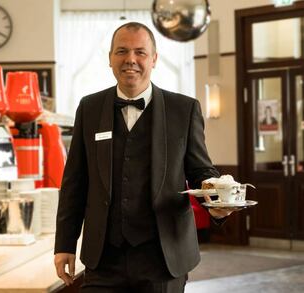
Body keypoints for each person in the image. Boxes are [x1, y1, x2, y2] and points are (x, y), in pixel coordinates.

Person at [54, 22, 232, 292]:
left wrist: (218, 200)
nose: (131, 60)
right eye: (122, 51)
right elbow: (75, 181)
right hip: (103, 258)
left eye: (140, 52)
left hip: (163, 257)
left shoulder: (183, 109)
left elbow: (200, 171)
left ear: (154, 59)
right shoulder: (89, 108)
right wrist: (65, 244)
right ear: (110, 58)